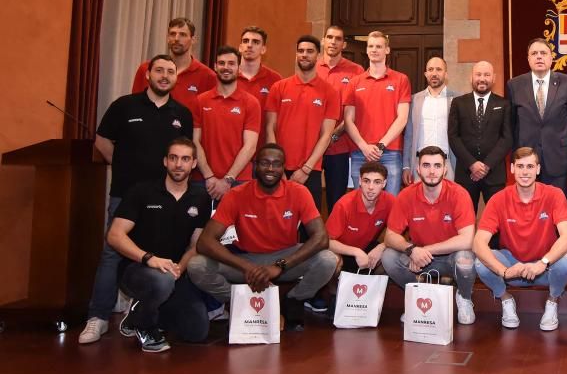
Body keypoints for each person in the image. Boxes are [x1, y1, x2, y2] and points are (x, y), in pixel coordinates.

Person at [79, 55, 194, 344]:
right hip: (125, 194)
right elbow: (103, 143)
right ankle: (99, 317)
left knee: (159, 250)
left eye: (170, 72)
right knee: (111, 252)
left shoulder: (182, 113)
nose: (165, 76)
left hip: (164, 198)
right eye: (159, 71)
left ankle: (147, 310)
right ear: (148, 75)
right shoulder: (123, 106)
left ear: (175, 79)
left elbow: (185, 151)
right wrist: (123, 169)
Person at [188, 144, 337, 332]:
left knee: (328, 259)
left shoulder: (299, 192)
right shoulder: (236, 194)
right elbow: (205, 242)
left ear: (283, 168)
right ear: (255, 166)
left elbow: (321, 238)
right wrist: (247, 266)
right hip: (246, 259)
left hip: (286, 259)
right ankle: (243, 302)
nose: (270, 169)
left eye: (277, 164)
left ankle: (293, 300)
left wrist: (279, 265)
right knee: (197, 266)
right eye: (265, 163)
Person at [109, 138, 211, 352]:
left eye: (185, 159)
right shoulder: (142, 191)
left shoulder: (200, 197)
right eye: (173, 158)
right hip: (137, 269)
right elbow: (115, 235)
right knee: (161, 282)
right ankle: (145, 326)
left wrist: (180, 268)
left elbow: (195, 245)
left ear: (193, 164)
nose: (178, 164)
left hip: (173, 273)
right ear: (165, 161)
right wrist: (150, 259)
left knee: (197, 331)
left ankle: (140, 313)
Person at [473, 147, 567, 331]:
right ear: (512, 169)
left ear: (538, 169)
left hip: (544, 269)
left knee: (566, 259)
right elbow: (478, 243)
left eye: (530, 166)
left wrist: (543, 263)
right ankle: (505, 299)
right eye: (520, 166)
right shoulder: (498, 199)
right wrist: (504, 271)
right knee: (480, 262)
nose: (525, 172)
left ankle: (552, 301)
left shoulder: (554, 194)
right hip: (513, 268)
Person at [382, 146, 477, 324]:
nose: (432, 171)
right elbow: (390, 236)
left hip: (450, 258)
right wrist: (411, 249)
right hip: (419, 260)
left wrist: (423, 250)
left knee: (466, 260)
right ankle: (420, 295)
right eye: (426, 165)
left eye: (437, 166)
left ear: (445, 169)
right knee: (388, 257)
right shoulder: (406, 195)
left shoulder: (459, 194)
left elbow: (468, 239)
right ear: (418, 169)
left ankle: (464, 298)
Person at [264, 35, 339, 210]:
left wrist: (306, 168)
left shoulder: (330, 92)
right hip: (278, 169)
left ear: (318, 56)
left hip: (310, 169)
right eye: (301, 51)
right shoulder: (279, 87)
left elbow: (326, 134)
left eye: (310, 51)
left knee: (309, 229)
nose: (304, 55)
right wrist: (276, 166)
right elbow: (269, 129)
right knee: (276, 224)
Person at [343, 31, 411, 195]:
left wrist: (381, 145)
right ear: (366, 50)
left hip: (390, 152)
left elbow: (402, 118)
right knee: (361, 204)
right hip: (360, 153)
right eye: (371, 46)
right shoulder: (354, 82)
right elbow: (348, 119)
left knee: (391, 205)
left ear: (387, 50)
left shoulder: (401, 80)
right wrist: (363, 146)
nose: (374, 50)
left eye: (379, 46)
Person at [506, 38, 567, 195]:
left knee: (557, 208)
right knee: (527, 210)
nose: (539, 57)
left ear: (551, 58)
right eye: (534, 53)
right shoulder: (514, 85)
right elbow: (511, 123)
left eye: (543, 53)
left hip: (557, 157)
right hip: (526, 159)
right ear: (528, 59)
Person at [192, 46, 261, 203]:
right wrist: (209, 176)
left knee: (237, 228)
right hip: (202, 180)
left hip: (238, 181)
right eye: (221, 63)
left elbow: (250, 146)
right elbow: (195, 141)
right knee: (199, 228)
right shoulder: (200, 101)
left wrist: (228, 179)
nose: (226, 67)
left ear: (239, 68)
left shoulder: (251, 103)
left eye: (231, 63)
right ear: (215, 67)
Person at [447, 60, 513, 208]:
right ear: (471, 77)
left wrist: (486, 165)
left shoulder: (504, 104)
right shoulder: (458, 103)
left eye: (487, 75)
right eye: (478, 74)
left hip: (495, 173)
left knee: (497, 220)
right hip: (466, 173)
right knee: (465, 220)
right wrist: (472, 164)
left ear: (493, 78)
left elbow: (507, 138)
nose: (482, 78)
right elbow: (453, 136)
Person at [318, 24, 364, 210]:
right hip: (311, 147)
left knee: (336, 200)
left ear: (344, 44)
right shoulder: (311, 67)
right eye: (330, 37)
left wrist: (334, 135)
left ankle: (333, 238)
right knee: (307, 198)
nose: (333, 42)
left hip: (340, 146)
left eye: (338, 39)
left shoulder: (356, 71)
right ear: (323, 41)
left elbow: (358, 109)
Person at [326, 160, 395, 281]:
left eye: (377, 182)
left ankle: (372, 291)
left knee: (390, 257)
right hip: (342, 251)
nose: (371, 187)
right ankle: (333, 294)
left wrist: (382, 246)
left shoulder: (390, 201)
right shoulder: (344, 204)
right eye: (366, 181)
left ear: (384, 183)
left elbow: (398, 234)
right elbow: (327, 242)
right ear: (359, 181)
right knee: (331, 260)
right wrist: (355, 252)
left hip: (367, 250)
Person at [130, 17, 216, 112]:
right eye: (172, 34)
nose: (176, 39)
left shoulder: (208, 76)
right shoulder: (146, 69)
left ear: (193, 40)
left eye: (182, 35)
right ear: (167, 38)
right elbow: (134, 106)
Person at [403, 56, 459, 185]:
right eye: (431, 69)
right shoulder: (415, 100)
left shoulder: (458, 99)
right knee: (419, 204)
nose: (434, 73)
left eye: (439, 69)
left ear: (446, 74)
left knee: (448, 203)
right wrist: (406, 166)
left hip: (448, 164)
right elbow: (409, 136)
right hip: (420, 164)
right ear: (426, 74)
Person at [236, 25, 282, 112]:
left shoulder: (275, 80)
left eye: (255, 42)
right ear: (240, 47)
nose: (249, 45)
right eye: (245, 41)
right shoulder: (227, 77)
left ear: (263, 49)